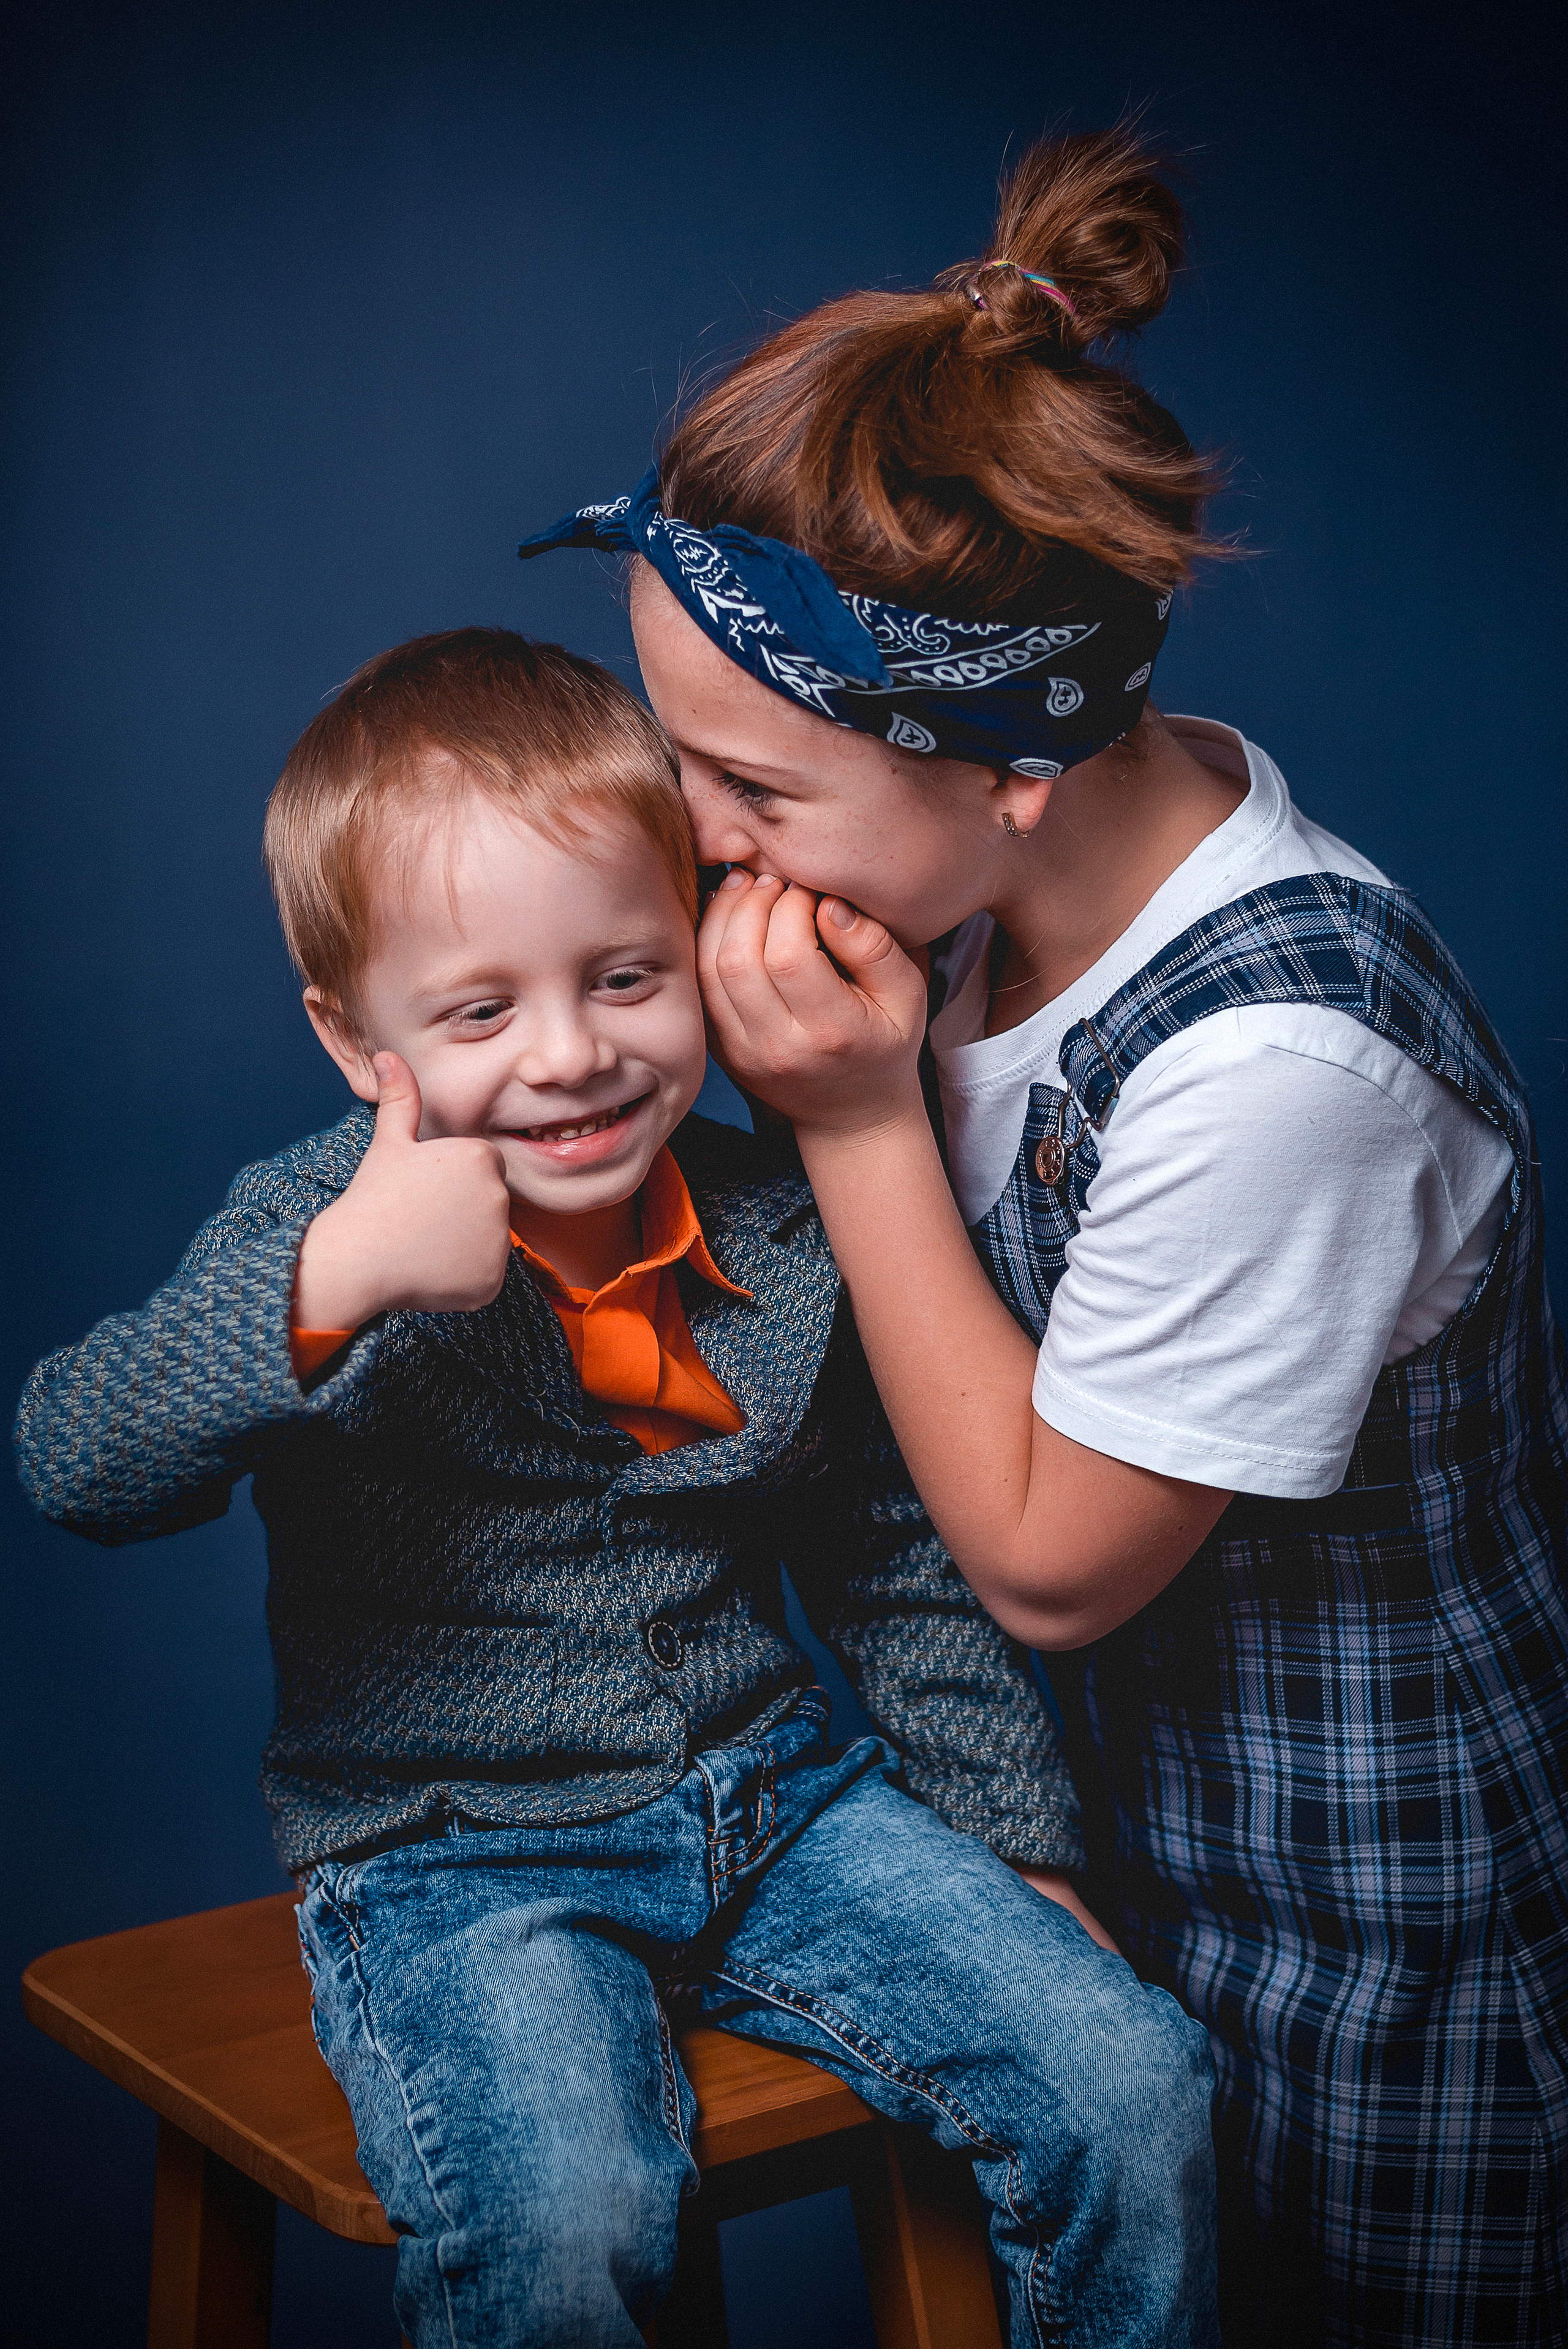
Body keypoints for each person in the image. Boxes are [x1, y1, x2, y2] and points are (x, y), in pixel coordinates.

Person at [518, 129, 1568, 2348]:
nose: (693, 839)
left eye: (758, 789)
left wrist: (847, 1115)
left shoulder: (1287, 1059)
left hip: (1383, 1961)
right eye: (677, 755)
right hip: (1120, 1896)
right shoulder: (962, 920)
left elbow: (1049, 1551)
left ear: (1018, 753)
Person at [14, 628, 1218, 2349]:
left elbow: (889, 1562)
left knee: (1128, 2076)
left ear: (702, 950)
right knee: (575, 2219)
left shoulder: (789, 1228)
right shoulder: (308, 1236)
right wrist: (330, 1284)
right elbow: (75, 1457)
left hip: (781, 1797)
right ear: (359, 1039)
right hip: (456, 1850)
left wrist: (1018, 1839)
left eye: (628, 976)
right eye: (482, 1009)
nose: (571, 1055)